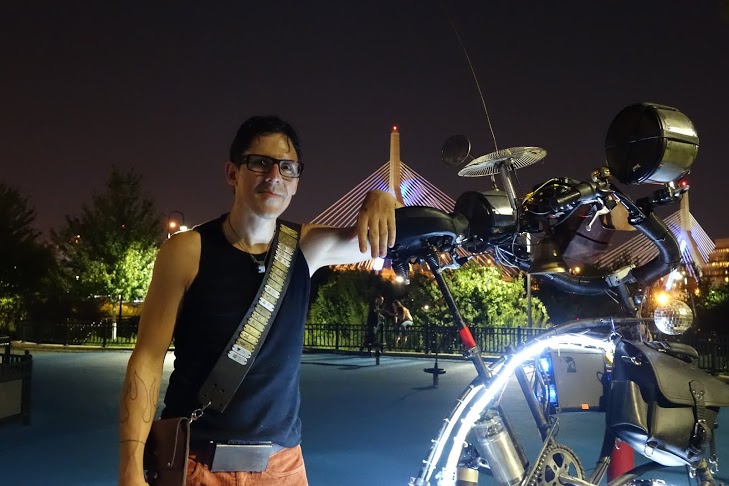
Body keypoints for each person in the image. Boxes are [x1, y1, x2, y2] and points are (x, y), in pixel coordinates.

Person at [118, 115, 401, 486]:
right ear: (232, 173)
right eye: (259, 162)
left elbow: (390, 234)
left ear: (297, 182)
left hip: (281, 468)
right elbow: (147, 359)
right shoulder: (186, 251)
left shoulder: (306, 247)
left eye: (287, 167)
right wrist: (130, 473)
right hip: (196, 465)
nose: (274, 176)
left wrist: (383, 198)